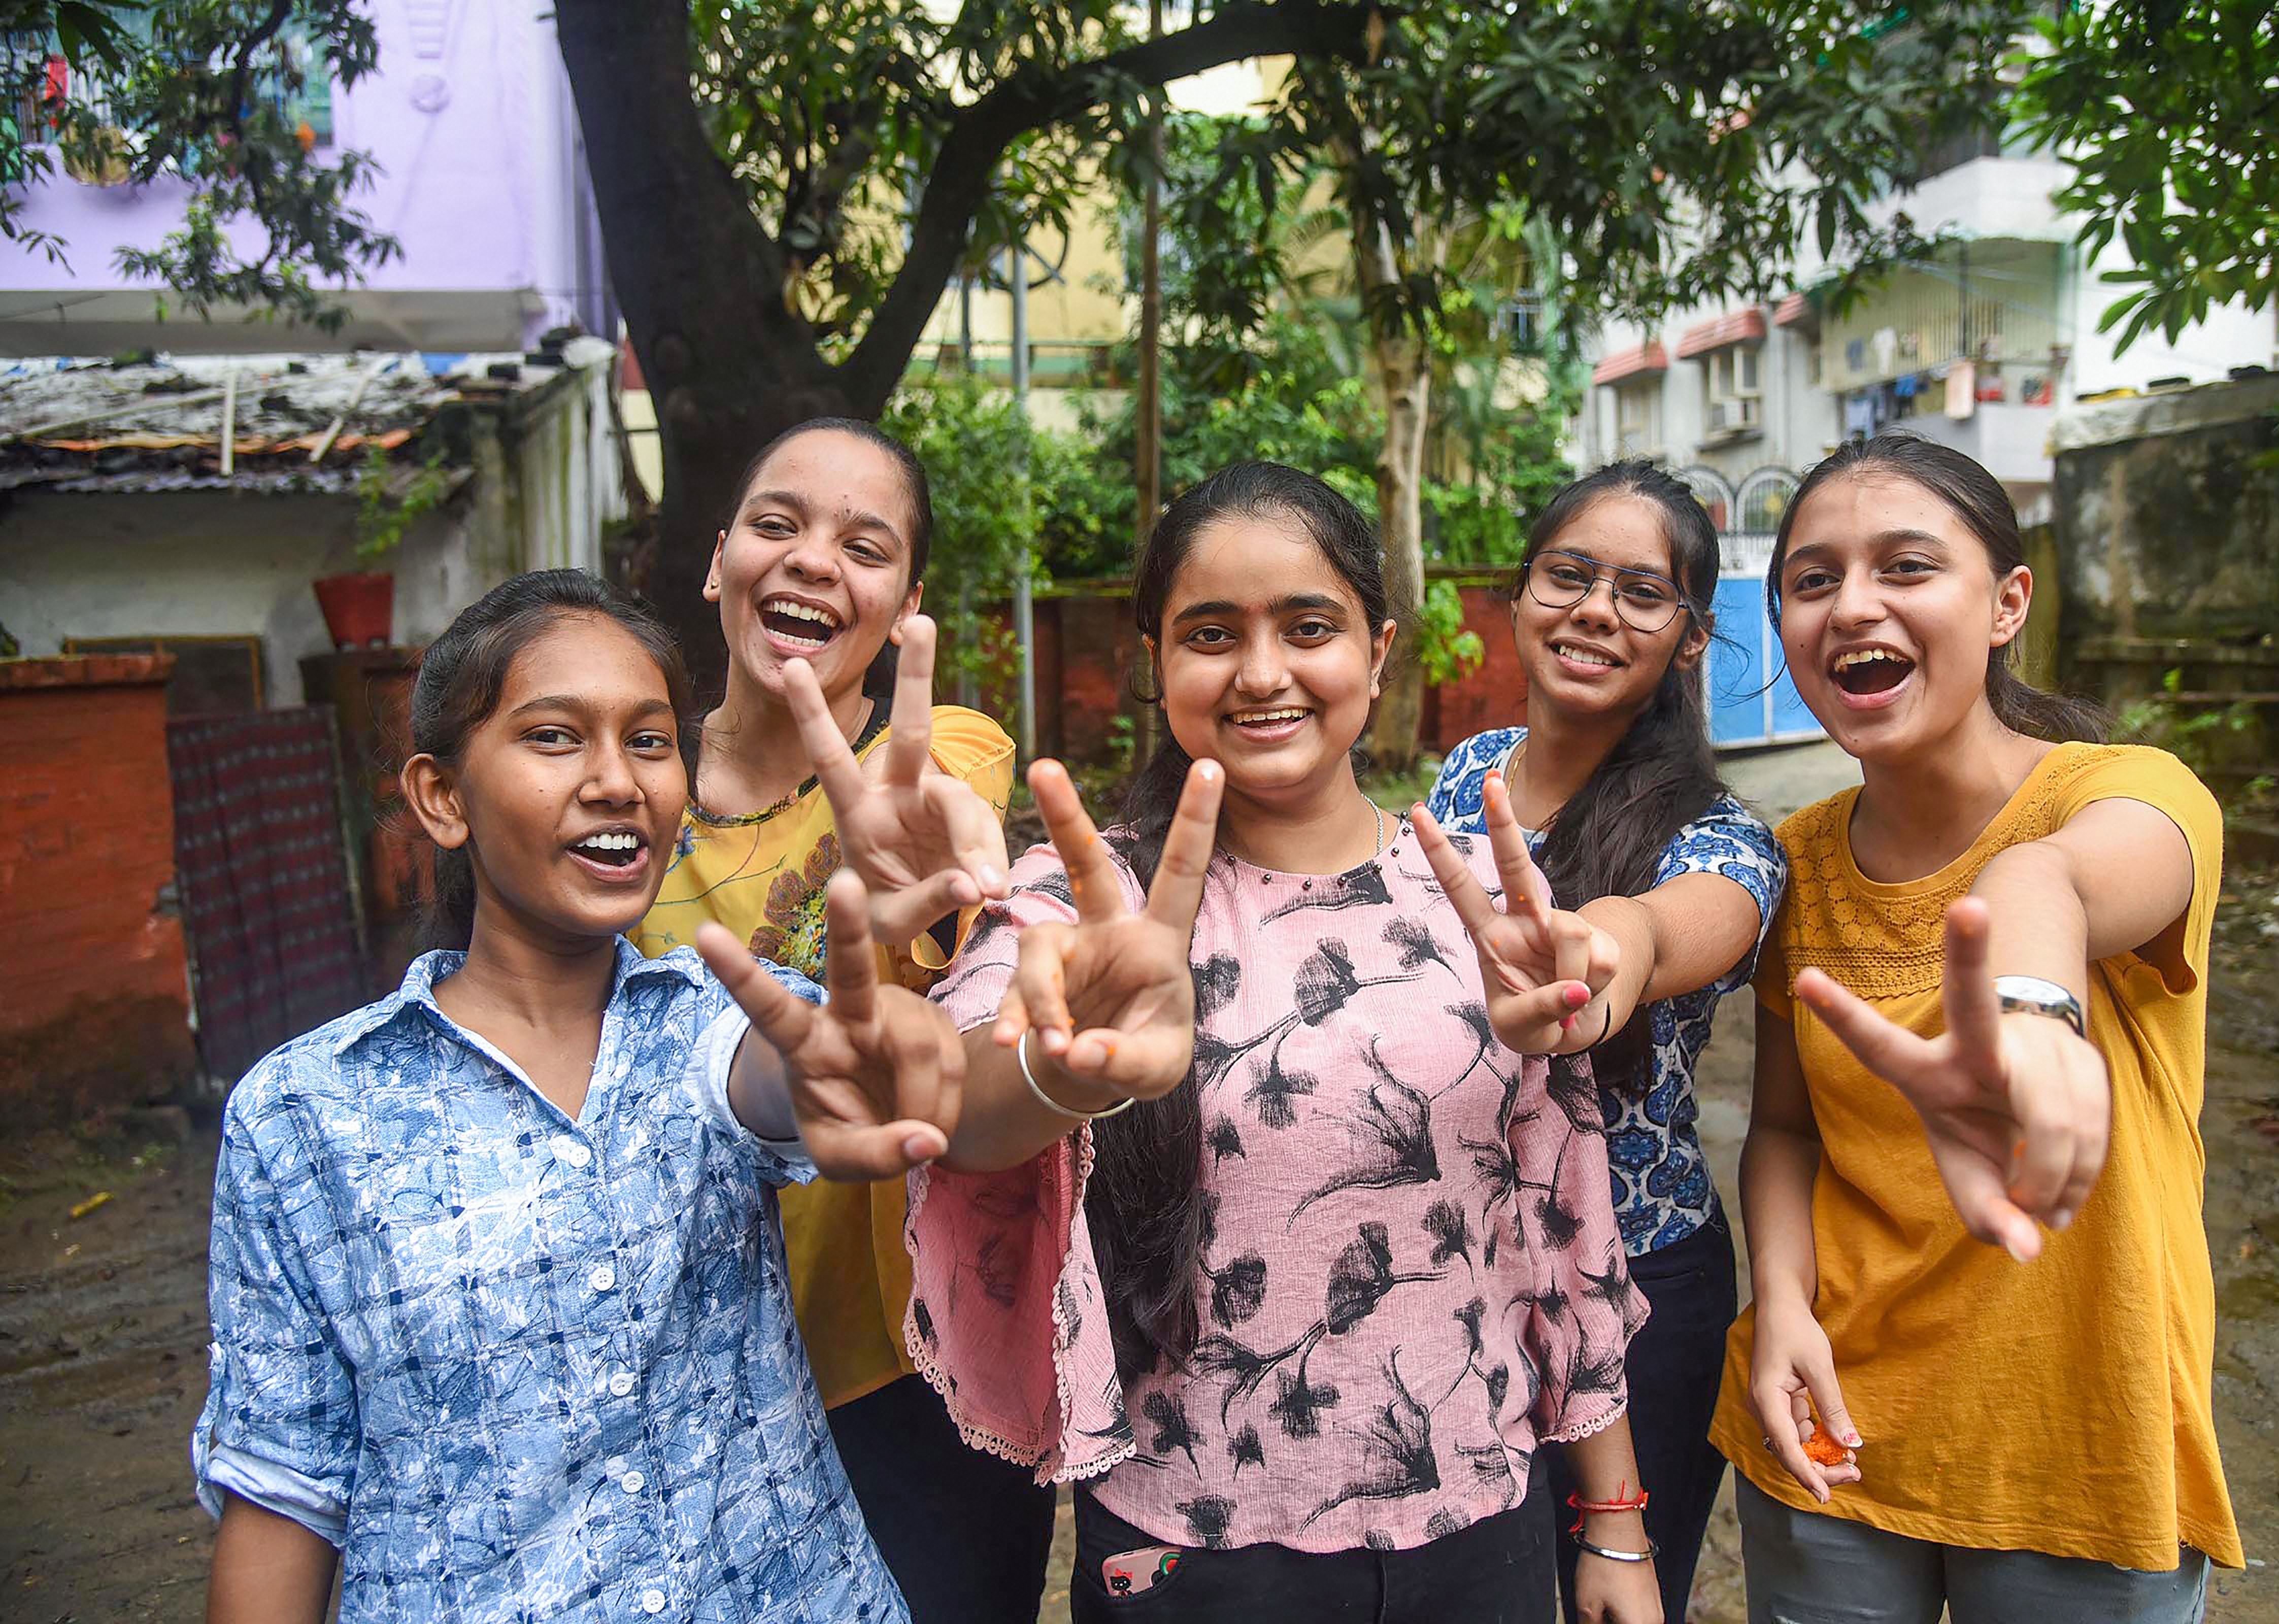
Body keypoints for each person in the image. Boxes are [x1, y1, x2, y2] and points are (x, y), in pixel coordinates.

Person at [888, 462, 1665, 1624]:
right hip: (1192, 1550)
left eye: (1309, 627)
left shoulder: (1484, 899)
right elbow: (960, 1102)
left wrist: (1614, 1521)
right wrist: (1060, 1065)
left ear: (1379, 651)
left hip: (1477, 1522)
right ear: (1158, 662)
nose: (1262, 673)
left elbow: (1562, 1228)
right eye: (1212, 633)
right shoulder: (1093, 899)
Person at [192, 569, 969, 1623]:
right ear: (442, 797)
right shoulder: (302, 1114)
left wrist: (922, 1056)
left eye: (649, 741)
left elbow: (795, 1074)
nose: (617, 781)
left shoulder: (714, 1017)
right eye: (555, 737)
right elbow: (284, 1494)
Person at [1715, 433, 2242, 1620]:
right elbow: (1786, 1131)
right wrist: (1782, 1302)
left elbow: (2050, 879)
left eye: (1907, 567)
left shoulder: (2133, 792)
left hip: (2080, 1447)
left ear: (2007, 603)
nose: (1855, 605)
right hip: (1832, 1425)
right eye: (1813, 579)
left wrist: (2036, 1013)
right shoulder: (1796, 863)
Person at [624, 419, 1047, 1620]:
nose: (813, 558)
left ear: (905, 610)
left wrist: (942, 861)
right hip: (673, 1368)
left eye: (864, 546)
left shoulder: (938, 754)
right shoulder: (628, 790)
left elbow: (946, 815)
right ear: (719, 560)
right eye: (778, 524)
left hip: (904, 1376)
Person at [1426, 461, 1786, 1624]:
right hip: (1464, 1265)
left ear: (1691, 637)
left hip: (1639, 1285)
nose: (1594, 611)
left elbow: (1664, 931)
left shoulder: (1724, 840)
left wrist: (1600, 957)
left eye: (1641, 592)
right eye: (1569, 576)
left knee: (1617, 1596)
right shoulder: (1469, 775)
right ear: (1521, 594)